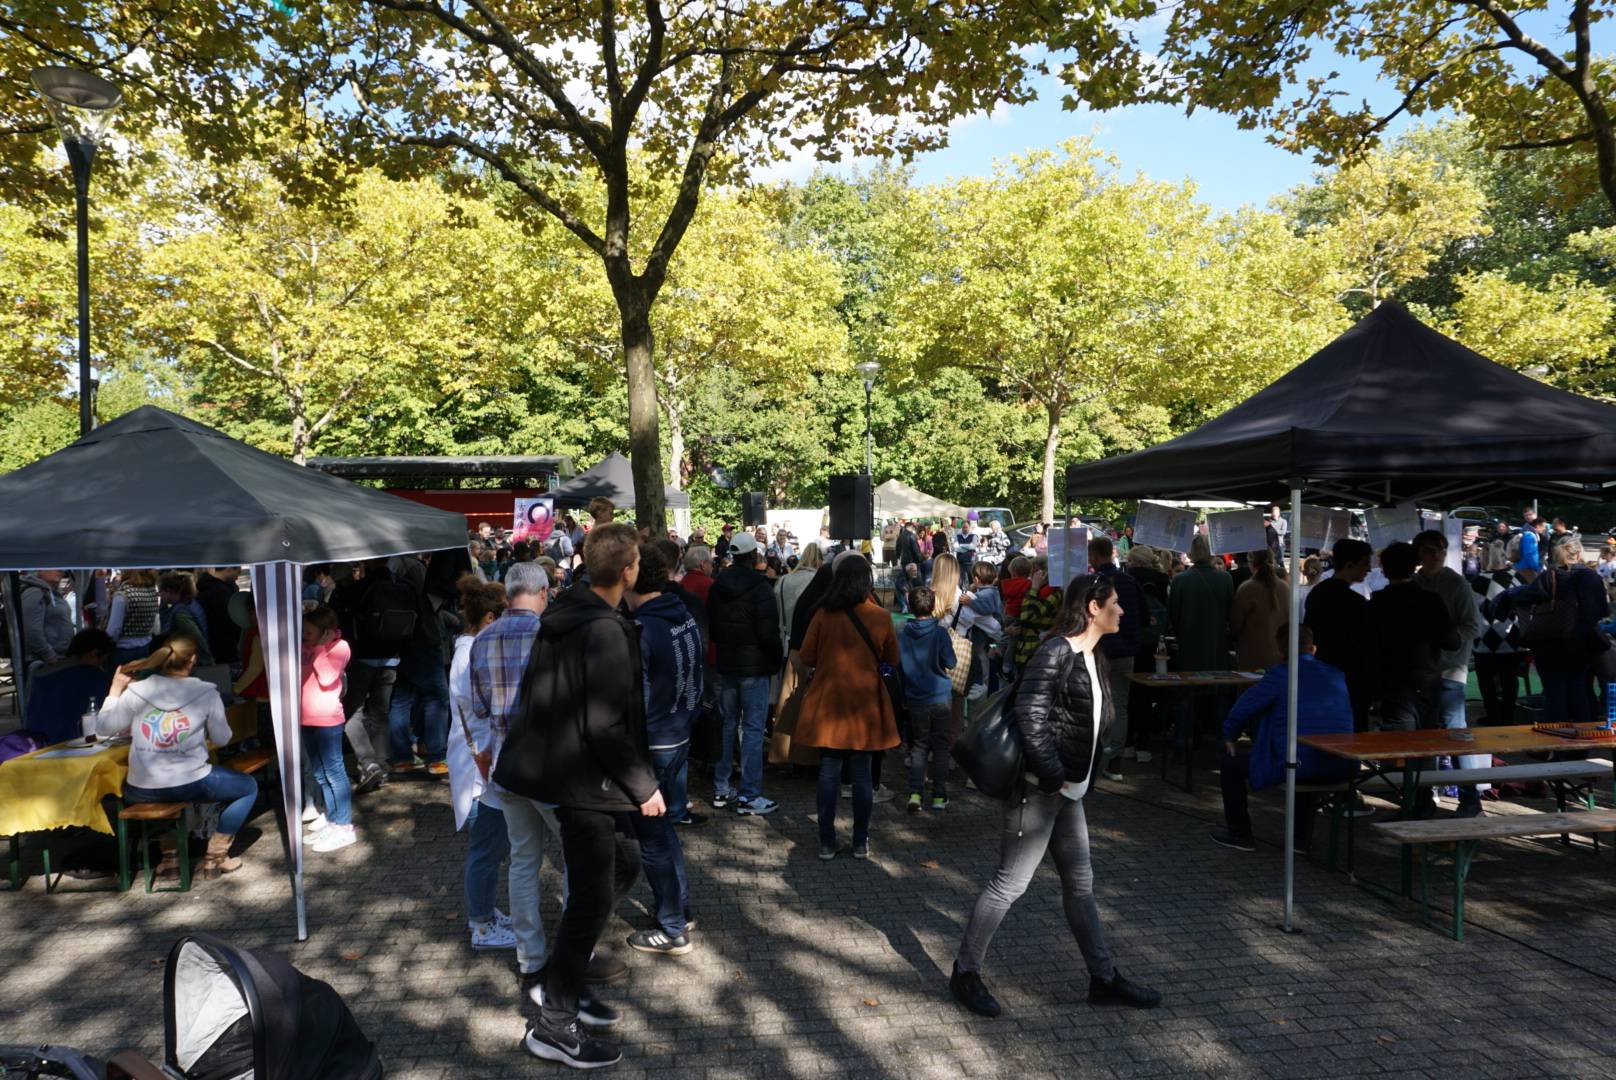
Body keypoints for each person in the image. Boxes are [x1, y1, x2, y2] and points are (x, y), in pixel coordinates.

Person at [949, 574, 1160, 1018]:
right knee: (1010, 883)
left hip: (1068, 793)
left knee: (1080, 885)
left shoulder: (1092, 655)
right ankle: (965, 973)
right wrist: (1051, 775)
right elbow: (1030, 714)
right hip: (1042, 791)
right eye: (1115, 603)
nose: (1122, 610)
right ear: (1092, 608)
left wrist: (1072, 781)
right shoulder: (1056, 651)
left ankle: (1102, 979)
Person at [497, 525, 663, 1069]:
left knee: (622, 866)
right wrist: (646, 787)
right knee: (591, 897)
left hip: (567, 776)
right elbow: (605, 726)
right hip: (583, 784)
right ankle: (554, 1024)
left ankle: (563, 973)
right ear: (629, 569)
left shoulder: (567, 614)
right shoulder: (601, 629)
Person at [472, 563, 567, 987]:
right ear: (543, 592)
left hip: (506, 768)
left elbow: (478, 707)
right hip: (548, 766)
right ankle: (578, 950)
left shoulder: (482, 639)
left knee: (523, 861)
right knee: (576, 858)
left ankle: (531, 957)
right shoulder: (553, 636)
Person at [97, 634, 253, 879]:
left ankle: (170, 858)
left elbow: (104, 728)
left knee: (166, 793)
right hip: (191, 782)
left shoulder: (137, 690)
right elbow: (222, 739)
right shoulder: (206, 693)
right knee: (248, 787)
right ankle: (215, 856)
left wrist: (116, 689)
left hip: (140, 788)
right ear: (191, 660)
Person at [1210, 625, 1357, 851]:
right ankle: (1300, 838)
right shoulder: (1336, 675)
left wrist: (1230, 735)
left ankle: (1240, 834)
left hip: (1300, 764)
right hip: (1342, 763)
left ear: (1281, 652)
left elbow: (1243, 708)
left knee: (1231, 766)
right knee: (1305, 754)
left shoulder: (1279, 675)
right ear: (1314, 649)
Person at [795, 555, 902, 860]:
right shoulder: (880, 616)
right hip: (865, 702)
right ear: (867, 581)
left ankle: (827, 841)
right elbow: (892, 659)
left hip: (829, 700)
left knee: (829, 771)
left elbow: (806, 656)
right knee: (862, 774)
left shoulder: (824, 614)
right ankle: (860, 840)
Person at [623, 544, 702, 956]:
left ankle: (672, 927)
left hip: (654, 742)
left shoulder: (642, 630)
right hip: (677, 734)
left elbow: (636, 697)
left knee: (652, 837)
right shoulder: (680, 616)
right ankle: (681, 907)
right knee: (664, 828)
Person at [449, 574, 517, 951]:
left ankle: (487, 911)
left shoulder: (470, 650)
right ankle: (482, 924)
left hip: (480, 761)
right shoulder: (471, 655)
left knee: (491, 847)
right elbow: (482, 711)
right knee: (486, 849)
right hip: (478, 766)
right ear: (490, 620)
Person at [1369, 542, 1458, 818]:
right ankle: (1423, 799)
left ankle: (1412, 798)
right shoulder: (1431, 600)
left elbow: (1369, 645)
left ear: (1384, 569)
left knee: (1404, 741)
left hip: (1394, 679)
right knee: (1425, 740)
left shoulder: (1379, 602)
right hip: (1427, 677)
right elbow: (1452, 641)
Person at [706, 531, 783, 815]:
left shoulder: (718, 585)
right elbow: (769, 633)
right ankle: (750, 794)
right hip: (753, 667)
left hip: (728, 665)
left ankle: (722, 787)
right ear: (753, 556)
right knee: (752, 729)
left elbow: (713, 626)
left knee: (728, 725)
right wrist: (774, 660)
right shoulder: (761, 589)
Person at [1413, 529, 1488, 816]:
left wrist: (1441, 648)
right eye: (1429, 550)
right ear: (1419, 554)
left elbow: (1472, 627)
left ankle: (1471, 798)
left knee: (1456, 735)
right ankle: (1424, 798)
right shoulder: (1415, 583)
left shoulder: (1456, 584)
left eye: (1440, 550)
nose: (1435, 555)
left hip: (1449, 672)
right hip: (1421, 673)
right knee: (1424, 738)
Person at [1498, 535, 1607, 726]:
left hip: (1549, 643)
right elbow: (1602, 610)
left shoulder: (1551, 575)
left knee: (1554, 691)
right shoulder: (1592, 577)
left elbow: (1526, 596)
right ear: (1579, 552)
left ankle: (1556, 742)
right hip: (1582, 643)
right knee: (1579, 688)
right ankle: (1582, 740)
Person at [385, 552, 451, 776]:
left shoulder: (389, 563)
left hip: (396, 640)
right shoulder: (415, 566)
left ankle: (403, 757)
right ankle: (437, 756)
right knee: (437, 697)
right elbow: (431, 600)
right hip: (424, 637)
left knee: (401, 698)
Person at [301, 603, 358, 851]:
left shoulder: (339, 648)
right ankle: (333, 820)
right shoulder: (307, 647)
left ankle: (344, 826)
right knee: (320, 773)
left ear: (325, 632)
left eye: (309, 633)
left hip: (327, 720)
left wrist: (321, 648)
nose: (305, 637)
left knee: (334, 772)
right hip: (305, 719)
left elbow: (326, 678)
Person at [1304, 538, 1376, 734]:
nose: (1368, 570)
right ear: (1349, 565)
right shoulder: (1355, 602)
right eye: (1365, 564)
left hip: (1321, 670)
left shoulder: (1317, 593)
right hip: (1351, 676)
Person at [1089, 536, 1144, 781]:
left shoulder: (1096, 582)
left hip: (1101, 650)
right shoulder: (1129, 581)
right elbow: (1144, 614)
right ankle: (1115, 763)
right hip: (1127, 650)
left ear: (1095, 556)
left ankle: (1095, 761)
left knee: (1097, 705)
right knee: (1119, 706)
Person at [898, 586, 956, 813]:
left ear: (910, 607)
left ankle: (915, 793)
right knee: (941, 747)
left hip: (915, 697)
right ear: (933, 606)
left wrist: (903, 696)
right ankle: (939, 796)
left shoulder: (903, 634)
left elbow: (899, 669)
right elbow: (950, 663)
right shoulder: (940, 633)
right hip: (940, 695)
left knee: (919, 746)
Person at [23, 628, 114, 745]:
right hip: (69, 743)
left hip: (35, 741)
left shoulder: (46, 672)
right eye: (103, 660)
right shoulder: (92, 675)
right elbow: (108, 717)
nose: (102, 666)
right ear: (94, 653)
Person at [1472, 559, 1531, 726]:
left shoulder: (1479, 580)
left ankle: (1493, 716)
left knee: (1486, 679)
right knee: (1509, 678)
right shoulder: (1517, 577)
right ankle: (1508, 716)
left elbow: (1473, 607)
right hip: (1513, 636)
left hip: (1485, 639)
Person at [1229, 549, 1290, 670]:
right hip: (1280, 653)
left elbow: (1235, 624)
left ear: (1251, 563)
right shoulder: (1285, 587)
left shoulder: (1247, 588)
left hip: (1252, 655)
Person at [18, 569, 74, 673]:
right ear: (38, 569)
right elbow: (31, 631)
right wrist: (50, 656)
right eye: (52, 565)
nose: (60, 569)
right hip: (42, 662)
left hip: (56, 659)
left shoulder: (51, 592)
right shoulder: (34, 592)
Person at [106, 570, 162, 668]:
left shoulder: (123, 594)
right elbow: (155, 623)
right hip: (145, 647)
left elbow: (114, 630)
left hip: (123, 650)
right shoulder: (152, 591)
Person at [157, 571, 213, 665]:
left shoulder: (180, 613)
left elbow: (197, 637)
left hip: (196, 662)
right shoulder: (190, 603)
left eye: (160, 592)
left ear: (168, 591)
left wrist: (207, 660)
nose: (160, 595)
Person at [195, 568, 242, 670]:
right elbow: (230, 621)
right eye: (238, 571)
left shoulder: (210, 588)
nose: (238, 576)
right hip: (224, 649)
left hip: (220, 647)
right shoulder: (220, 593)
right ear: (228, 569)